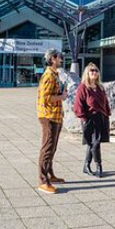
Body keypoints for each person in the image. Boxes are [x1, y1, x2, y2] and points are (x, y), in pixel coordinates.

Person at [36, 49, 66, 194]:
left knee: (52, 147)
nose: (61, 59)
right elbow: (46, 98)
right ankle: (43, 181)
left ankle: (50, 174)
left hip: (56, 116)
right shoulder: (48, 76)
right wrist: (62, 97)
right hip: (49, 117)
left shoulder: (55, 75)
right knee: (47, 147)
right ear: (53, 59)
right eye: (60, 57)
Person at [73, 62, 110, 178]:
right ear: (87, 73)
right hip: (89, 119)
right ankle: (99, 166)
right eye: (91, 70)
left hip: (101, 118)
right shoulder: (83, 88)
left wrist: (107, 113)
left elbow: (105, 102)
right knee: (95, 143)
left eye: (96, 70)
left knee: (92, 143)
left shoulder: (100, 87)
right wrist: (84, 118)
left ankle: (86, 166)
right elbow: (78, 105)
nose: (94, 72)